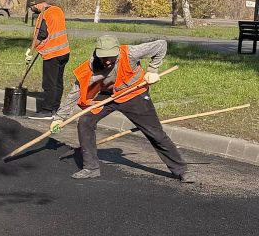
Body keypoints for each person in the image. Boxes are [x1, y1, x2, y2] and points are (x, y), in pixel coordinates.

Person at [50, 35, 193, 183]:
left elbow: (161, 45)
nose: (107, 61)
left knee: (155, 132)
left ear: (117, 51)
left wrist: (152, 69)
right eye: (103, 57)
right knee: (85, 121)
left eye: (111, 57)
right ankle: (91, 168)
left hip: (134, 94)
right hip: (108, 96)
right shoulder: (90, 67)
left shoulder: (130, 52)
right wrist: (60, 118)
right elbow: (76, 91)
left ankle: (182, 171)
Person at [25, 0, 69, 119]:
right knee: (58, 82)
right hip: (64, 52)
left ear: (36, 4)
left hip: (52, 54)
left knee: (49, 83)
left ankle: (47, 110)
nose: (31, 9)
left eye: (31, 7)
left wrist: (30, 50)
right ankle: (55, 107)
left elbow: (41, 35)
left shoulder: (44, 14)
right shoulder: (58, 10)